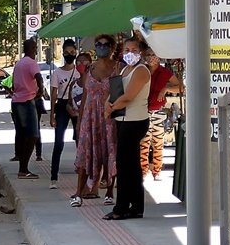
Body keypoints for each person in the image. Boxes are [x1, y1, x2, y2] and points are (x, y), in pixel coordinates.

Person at [104, 37, 152, 220]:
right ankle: (135, 206)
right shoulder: (125, 69)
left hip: (135, 120)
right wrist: (107, 105)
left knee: (125, 164)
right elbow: (114, 92)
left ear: (140, 52)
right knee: (130, 165)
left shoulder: (141, 71)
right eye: (126, 50)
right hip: (123, 119)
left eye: (133, 49)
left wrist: (111, 107)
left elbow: (128, 96)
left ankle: (121, 207)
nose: (129, 53)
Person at [70, 34, 118, 207]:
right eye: (98, 44)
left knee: (109, 152)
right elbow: (85, 97)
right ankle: (78, 193)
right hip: (89, 118)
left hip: (108, 117)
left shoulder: (118, 68)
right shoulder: (90, 69)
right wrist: (79, 121)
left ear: (112, 48)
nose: (102, 47)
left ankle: (110, 191)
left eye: (106, 44)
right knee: (85, 152)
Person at [140, 49, 181, 180]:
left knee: (157, 142)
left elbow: (180, 87)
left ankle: (157, 171)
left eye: (153, 55)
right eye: (148, 55)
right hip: (143, 110)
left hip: (158, 111)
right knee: (143, 143)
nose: (151, 57)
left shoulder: (164, 72)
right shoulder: (141, 71)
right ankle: (143, 171)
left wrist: (166, 88)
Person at [9, 37, 45, 179]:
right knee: (33, 135)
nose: (36, 51)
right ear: (31, 49)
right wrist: (40, 91)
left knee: (23, 135)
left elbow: (13, 85)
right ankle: (23, 169)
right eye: (35, 48)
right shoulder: (31, 63)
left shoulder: (19, 64)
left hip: (16, 102)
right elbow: (39, 78)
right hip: (27, 101)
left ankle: (22, 168)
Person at [47, 38, 80, 189]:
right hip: (62, 105)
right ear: (62, 54)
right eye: (66, 53)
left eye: (72, 52)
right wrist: (52, 114)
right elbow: (54, 93)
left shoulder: (79, 72)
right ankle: (53, 177)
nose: (69, 55)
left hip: (77, 106)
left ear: (76, 53)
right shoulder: (57, 73)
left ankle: (82, 172)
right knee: (58, 142)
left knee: (80, 141)